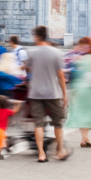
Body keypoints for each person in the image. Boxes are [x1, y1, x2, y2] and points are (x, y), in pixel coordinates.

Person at [24, 25, 69, 162]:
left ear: (36, 36)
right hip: (53, 93)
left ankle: (41, 154)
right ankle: (60, 150)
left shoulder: (31, 52)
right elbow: (60, 74)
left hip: (36, 92)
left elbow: (27, 69)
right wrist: (64, 93)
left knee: (38, 124)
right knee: (58, 123)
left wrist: (31, 80)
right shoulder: (56, 52)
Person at [0, 95, 20, 159]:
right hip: (0, 130)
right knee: (1, 143)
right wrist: (18, 105)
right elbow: (14, 111)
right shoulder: (6, 111)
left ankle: (1, 150)